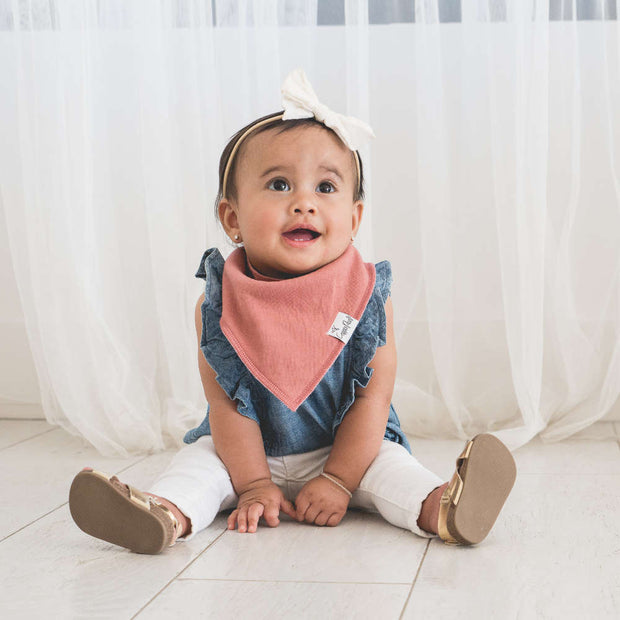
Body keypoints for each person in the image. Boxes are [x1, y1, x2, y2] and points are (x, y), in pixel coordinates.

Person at [69, 69, 516, 554]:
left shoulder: (366, 296)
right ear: (232, 219)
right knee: (198, 465)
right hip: (243, 451)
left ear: (353, 218)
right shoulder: (218, 303)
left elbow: (372, 398)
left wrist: (342, 481)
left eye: (325, 188)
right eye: (280, 185)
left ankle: (444, 508)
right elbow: (226, 405)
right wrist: (255, 484)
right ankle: (163, 515)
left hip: (345, 448)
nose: (304, 202)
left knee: (394, 470)